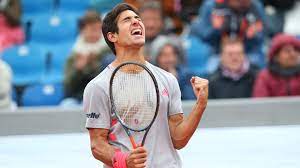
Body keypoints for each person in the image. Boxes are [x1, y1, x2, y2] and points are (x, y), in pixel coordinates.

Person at [83, 3, 209, 168]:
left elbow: (178, 140)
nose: (136, 22)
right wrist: (124, 161)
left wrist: (200, 104)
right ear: (112, 36)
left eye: (137, 18)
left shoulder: (168, 79)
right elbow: (97, 145)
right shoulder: (98, 86)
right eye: (127, 20)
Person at [190, 0, 266, 68]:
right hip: (218, 52)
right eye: (239, 1)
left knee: (257, 65)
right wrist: (217, 29)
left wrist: (250, 32)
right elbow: (202, 34)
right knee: (211, 67)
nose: (242, 3)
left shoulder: (255, 5)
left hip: (248, 52)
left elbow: (262, 37)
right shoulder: (211, 5)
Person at [63, 10, 110, 105]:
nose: (97, 34)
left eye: (99, 30)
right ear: (82, 30)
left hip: (103, 99)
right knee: (67, 104)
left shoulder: (109, 51)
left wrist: (93, 63)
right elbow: (68, 87)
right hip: (79, 98)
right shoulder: (74, 55)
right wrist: (78, 70)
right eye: (93, 30)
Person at [150, 35, 194, 100]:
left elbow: (190, 100)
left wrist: (176, 82)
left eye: (172, 54)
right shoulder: (150, 76)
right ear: (156, 58)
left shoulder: (187, 76)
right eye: (165, 55)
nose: (170, 59)